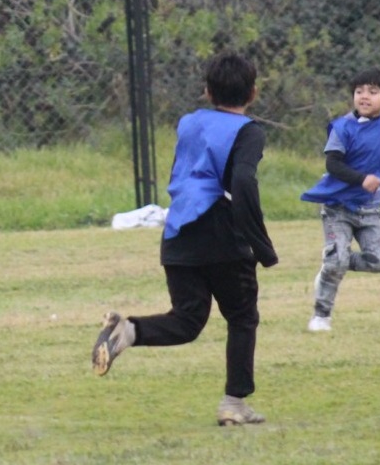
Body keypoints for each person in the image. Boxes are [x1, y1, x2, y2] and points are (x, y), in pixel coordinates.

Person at [90, 52, 278, 426]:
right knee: (242, 317)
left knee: (188, 319)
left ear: (206, 92)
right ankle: (233, 403)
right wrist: (262, 245)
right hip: (221, 233)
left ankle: (128, 330)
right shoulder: (249, 131)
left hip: (177, 232)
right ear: (254, 93)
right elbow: (241, 182)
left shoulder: (189, 123)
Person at [300, 68, 380, 333]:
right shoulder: (342, 128)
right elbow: (333, 164)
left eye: (373, 92)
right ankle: (321, 316)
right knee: (336, 263)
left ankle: (334, 259)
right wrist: (362, 179)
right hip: (338, 209)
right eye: (359, 91)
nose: (364, 96)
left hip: (371, 210)